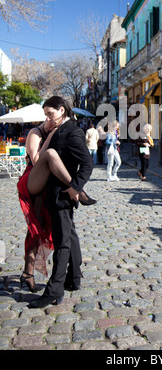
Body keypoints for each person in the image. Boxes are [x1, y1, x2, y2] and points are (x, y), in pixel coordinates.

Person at [28, 96, 95, 308]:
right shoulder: (58, 130)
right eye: (45, 114)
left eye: (51, 113)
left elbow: (87, 163)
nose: (48, 117)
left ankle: (54, 290)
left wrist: (75, 188)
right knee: (70, 234)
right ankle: (73, 279)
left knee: (62, 242)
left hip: (61, 195)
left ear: (62, 110)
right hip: (56, 193)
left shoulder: (72, 131)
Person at [17, 119, 57, 292]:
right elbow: (36, 161)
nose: (52, 123)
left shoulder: (49, 132)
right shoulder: (35, 133)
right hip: (34, 183)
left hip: (45, 186)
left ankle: (28, 272)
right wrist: (50, 138)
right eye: (49, 117)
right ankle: (28, 273)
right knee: (35, 228)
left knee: (41, 228)